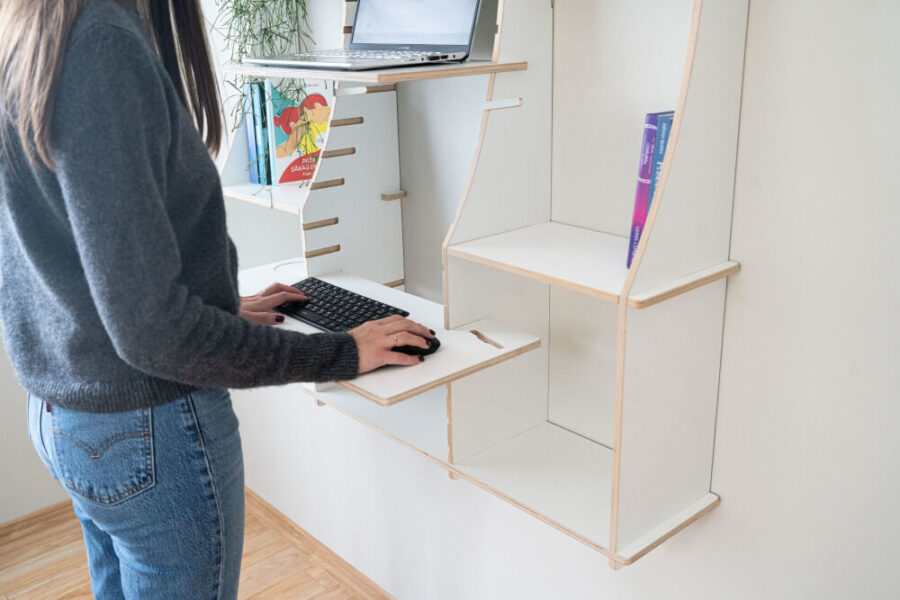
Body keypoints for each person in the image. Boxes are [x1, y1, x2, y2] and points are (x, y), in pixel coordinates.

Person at [0, 0, 434, 598]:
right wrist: (340, 353)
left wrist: (215, 305)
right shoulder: (100, 43)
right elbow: (154, 332)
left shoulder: (34, 30)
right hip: (147, 428)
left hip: (69, 415)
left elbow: (76, 253)